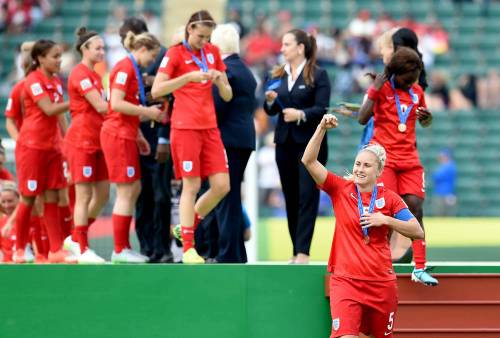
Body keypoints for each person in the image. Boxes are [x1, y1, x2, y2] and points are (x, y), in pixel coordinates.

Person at [301, 113, 424, 338]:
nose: (359, 169)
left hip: (381, 284)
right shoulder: (340, 189)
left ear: (378, 171)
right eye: (357, 164)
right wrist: (321, 128)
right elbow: (308, 161)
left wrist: (385, 220)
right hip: (346, 281)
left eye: (367, 166)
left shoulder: (391, 199)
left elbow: (417, 230)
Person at [152, 10, 232, 264]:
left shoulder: (213, 52)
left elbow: (228, 95)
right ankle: (188, 247)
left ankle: (187, 225)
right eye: (200, 36)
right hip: (185, 128)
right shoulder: (174, 54)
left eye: (208, 37)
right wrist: (187, 77)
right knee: (192, 186)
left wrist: (220, 82)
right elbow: (157, 89)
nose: (203, 41)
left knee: (222, 186)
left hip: (210, 128)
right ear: (189, 30)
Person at [358, 46, 438, 286]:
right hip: (385, 160)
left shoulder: (417, 92)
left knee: (416, 206)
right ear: (395, 73)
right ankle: (378, 263)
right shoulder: (381, 89)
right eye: (406, 79)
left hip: (410, 160)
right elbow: (362, 118)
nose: (409, 83)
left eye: (413, 79)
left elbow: (423, 123)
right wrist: (374, 90)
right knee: (384, 211)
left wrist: (427, 119)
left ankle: (420, 267)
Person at [264, 28, 331, 264]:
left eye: (286, 44)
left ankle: (303, 252)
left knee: (307, 197)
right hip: (284, 144)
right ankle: (295, 251)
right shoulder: (278, 74)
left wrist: (301, 114)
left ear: (300, 48)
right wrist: (270, 101)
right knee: (290, 197)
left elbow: (322, 109)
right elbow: (270, 109)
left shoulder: (319, 75)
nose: (281, 49)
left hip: (310, 146)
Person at [100, 31, 165, 263]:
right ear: (143, 49)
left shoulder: (132, 69)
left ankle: (124, 246)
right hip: (117, 135)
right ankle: (119, 249)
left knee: (134, 188)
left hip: (127, 134)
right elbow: (116, 103)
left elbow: (126, 105)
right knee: (127, 191)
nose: (152, 61)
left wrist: (138, 134)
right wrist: (147, 112)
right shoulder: (125, 68)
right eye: (152, 56)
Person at [118, 17, 174, 263]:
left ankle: (163, 248)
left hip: (157, 134)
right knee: (140, 194)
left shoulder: (161, 58)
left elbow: (171, 97)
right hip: (137, 134)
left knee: (161, 195)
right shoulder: (128, 65)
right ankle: (146, 247)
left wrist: (163, 138)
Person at [14, 39, 73, 263]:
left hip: (51, 148)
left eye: (60, 56)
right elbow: (49, 109)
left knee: (52, 197)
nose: (60, 61)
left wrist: (66, 140)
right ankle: (20, 249)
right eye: (55, 57)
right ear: (40, 58)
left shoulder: (56, 81)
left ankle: (55, 250)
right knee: (28, 198)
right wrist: (76, 101)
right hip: (32, 147)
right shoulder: (33, 81)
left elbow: (59, 116)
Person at [207, 23, 256, 263]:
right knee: (233, 194)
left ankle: (226, 254)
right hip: (243, 139)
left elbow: (217, 108)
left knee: (226, 196)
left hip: (226, 140)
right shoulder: (245, 69)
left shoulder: (226, 70)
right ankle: (237, 252)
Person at [62, 27, 109, 263]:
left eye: (103, 47)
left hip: (98, 140)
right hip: (81, 141)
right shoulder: (79, 73)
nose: (102, 51)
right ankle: (80, 246)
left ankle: (74, 237)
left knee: (102, 194)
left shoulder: (95, 75)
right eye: (98, 48)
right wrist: (132, 110)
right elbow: (101, 106)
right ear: (85, 49)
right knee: (83, 195)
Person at [431, 149, 457, 216]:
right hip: (441, 192)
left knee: (445, 213)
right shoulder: (444, 166)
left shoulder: (449, 166)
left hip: (446, 193)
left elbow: (436, 177)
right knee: (440, 213)